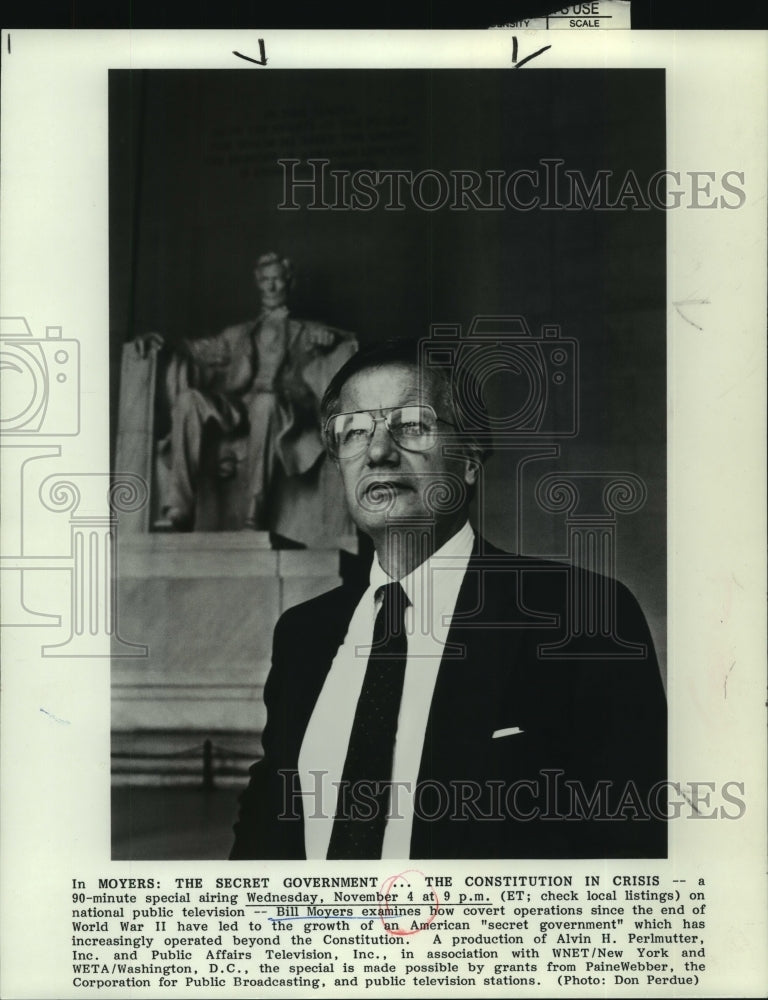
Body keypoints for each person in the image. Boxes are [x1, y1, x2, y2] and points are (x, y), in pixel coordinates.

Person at [230, 337, 667, 860]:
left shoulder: (583, 617)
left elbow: (633, 848)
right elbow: (264, 842)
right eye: (354, 432)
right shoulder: (303, 635)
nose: (377, 451)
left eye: (412, 425)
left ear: (469, 461)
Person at [135, 252, 356, 537]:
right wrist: (162, 345)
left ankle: (255, 513)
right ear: (258, 283)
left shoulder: (305, 331)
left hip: (281, 408)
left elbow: (347, 339)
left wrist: (329, 337)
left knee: (266, 403)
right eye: (266, 280)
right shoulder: (237, 334)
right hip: (238, 406)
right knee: (189, 399)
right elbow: (196, 350)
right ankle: (180, 509)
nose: (272, 286)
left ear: (289, 282)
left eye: (277, 279)